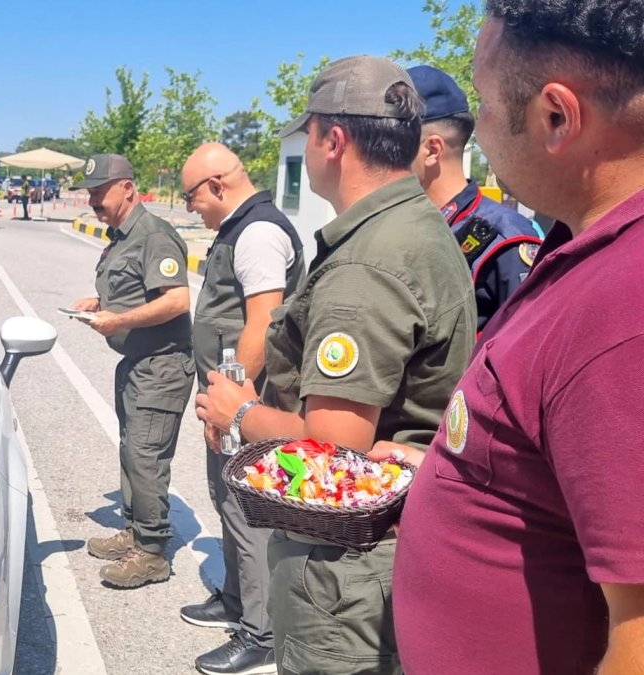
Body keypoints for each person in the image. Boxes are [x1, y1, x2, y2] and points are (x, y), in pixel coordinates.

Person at [194, 56, 475, 672]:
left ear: (334, 141)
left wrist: (239, 412)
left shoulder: (367, 263)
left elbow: (333, 445)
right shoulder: (413, 225)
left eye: (310, 132)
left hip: (346, 573)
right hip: (388, 553)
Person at [388, 2, 644, 673]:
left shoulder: (626, 307)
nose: (478, 128)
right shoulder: (583, 247)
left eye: (485, 103)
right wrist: (455, 470)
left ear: (557, 116)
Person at [179, 142, 306, 675]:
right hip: (229, 397)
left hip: (248, 400)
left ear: (216, 185)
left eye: (191, 197)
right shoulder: (237, 229)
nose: (191, 209)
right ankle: (235, 599)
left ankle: (261, 632)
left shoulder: (257, 233)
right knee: (225, 498)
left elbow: (261, 326)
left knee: (248, 511)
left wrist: (231, 405)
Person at [69, 153, 194, 589]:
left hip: (162, 365)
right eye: (90, 193)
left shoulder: (153, 235)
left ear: (127, 188)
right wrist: (99, 303)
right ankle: (136, 530)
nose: (93, 201)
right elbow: (135, 290)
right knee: (131, 452)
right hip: (138, 364)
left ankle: (152, 552)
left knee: (146, 457)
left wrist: (118, 320)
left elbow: (176, 300)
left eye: (100, 192)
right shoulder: (123, 236)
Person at [407, 64, 543, 331]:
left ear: (432, 150)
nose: (381, 154)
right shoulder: (407, 226)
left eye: (394, 144)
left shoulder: (505, 242)